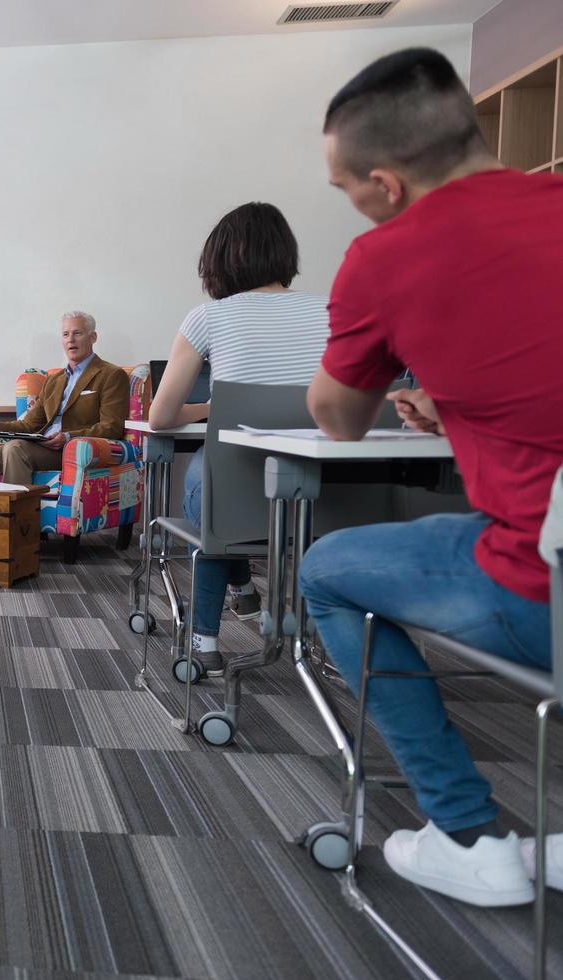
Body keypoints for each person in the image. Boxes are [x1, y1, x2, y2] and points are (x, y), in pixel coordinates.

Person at [302, 47, 563, 906]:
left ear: (386, 185)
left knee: (326, 571)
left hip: (542, 583)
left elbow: (337, 417)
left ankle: (468, 834)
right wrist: (454, 410)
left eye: (343, 190)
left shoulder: (385, 257)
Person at [146, 202, 329, 676]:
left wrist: (215, 408)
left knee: (212, 498)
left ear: (222, 258)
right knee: (229, 494)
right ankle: (249, 592)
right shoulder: (333, 313)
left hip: (234, 499)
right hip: (321, 501)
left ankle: (205, 642)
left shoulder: (208, 318)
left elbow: (161, 416)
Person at [0, 312, 128, 486]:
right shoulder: (54, 380)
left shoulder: (111, 375)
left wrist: (67, 437)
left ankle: (16, 512)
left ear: (93, 337)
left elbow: (111, 427)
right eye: (66, 334)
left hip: (72, 451)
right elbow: (29, 425)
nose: (70, 340)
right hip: (40, 445)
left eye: (78, 333)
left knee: (15, 448)